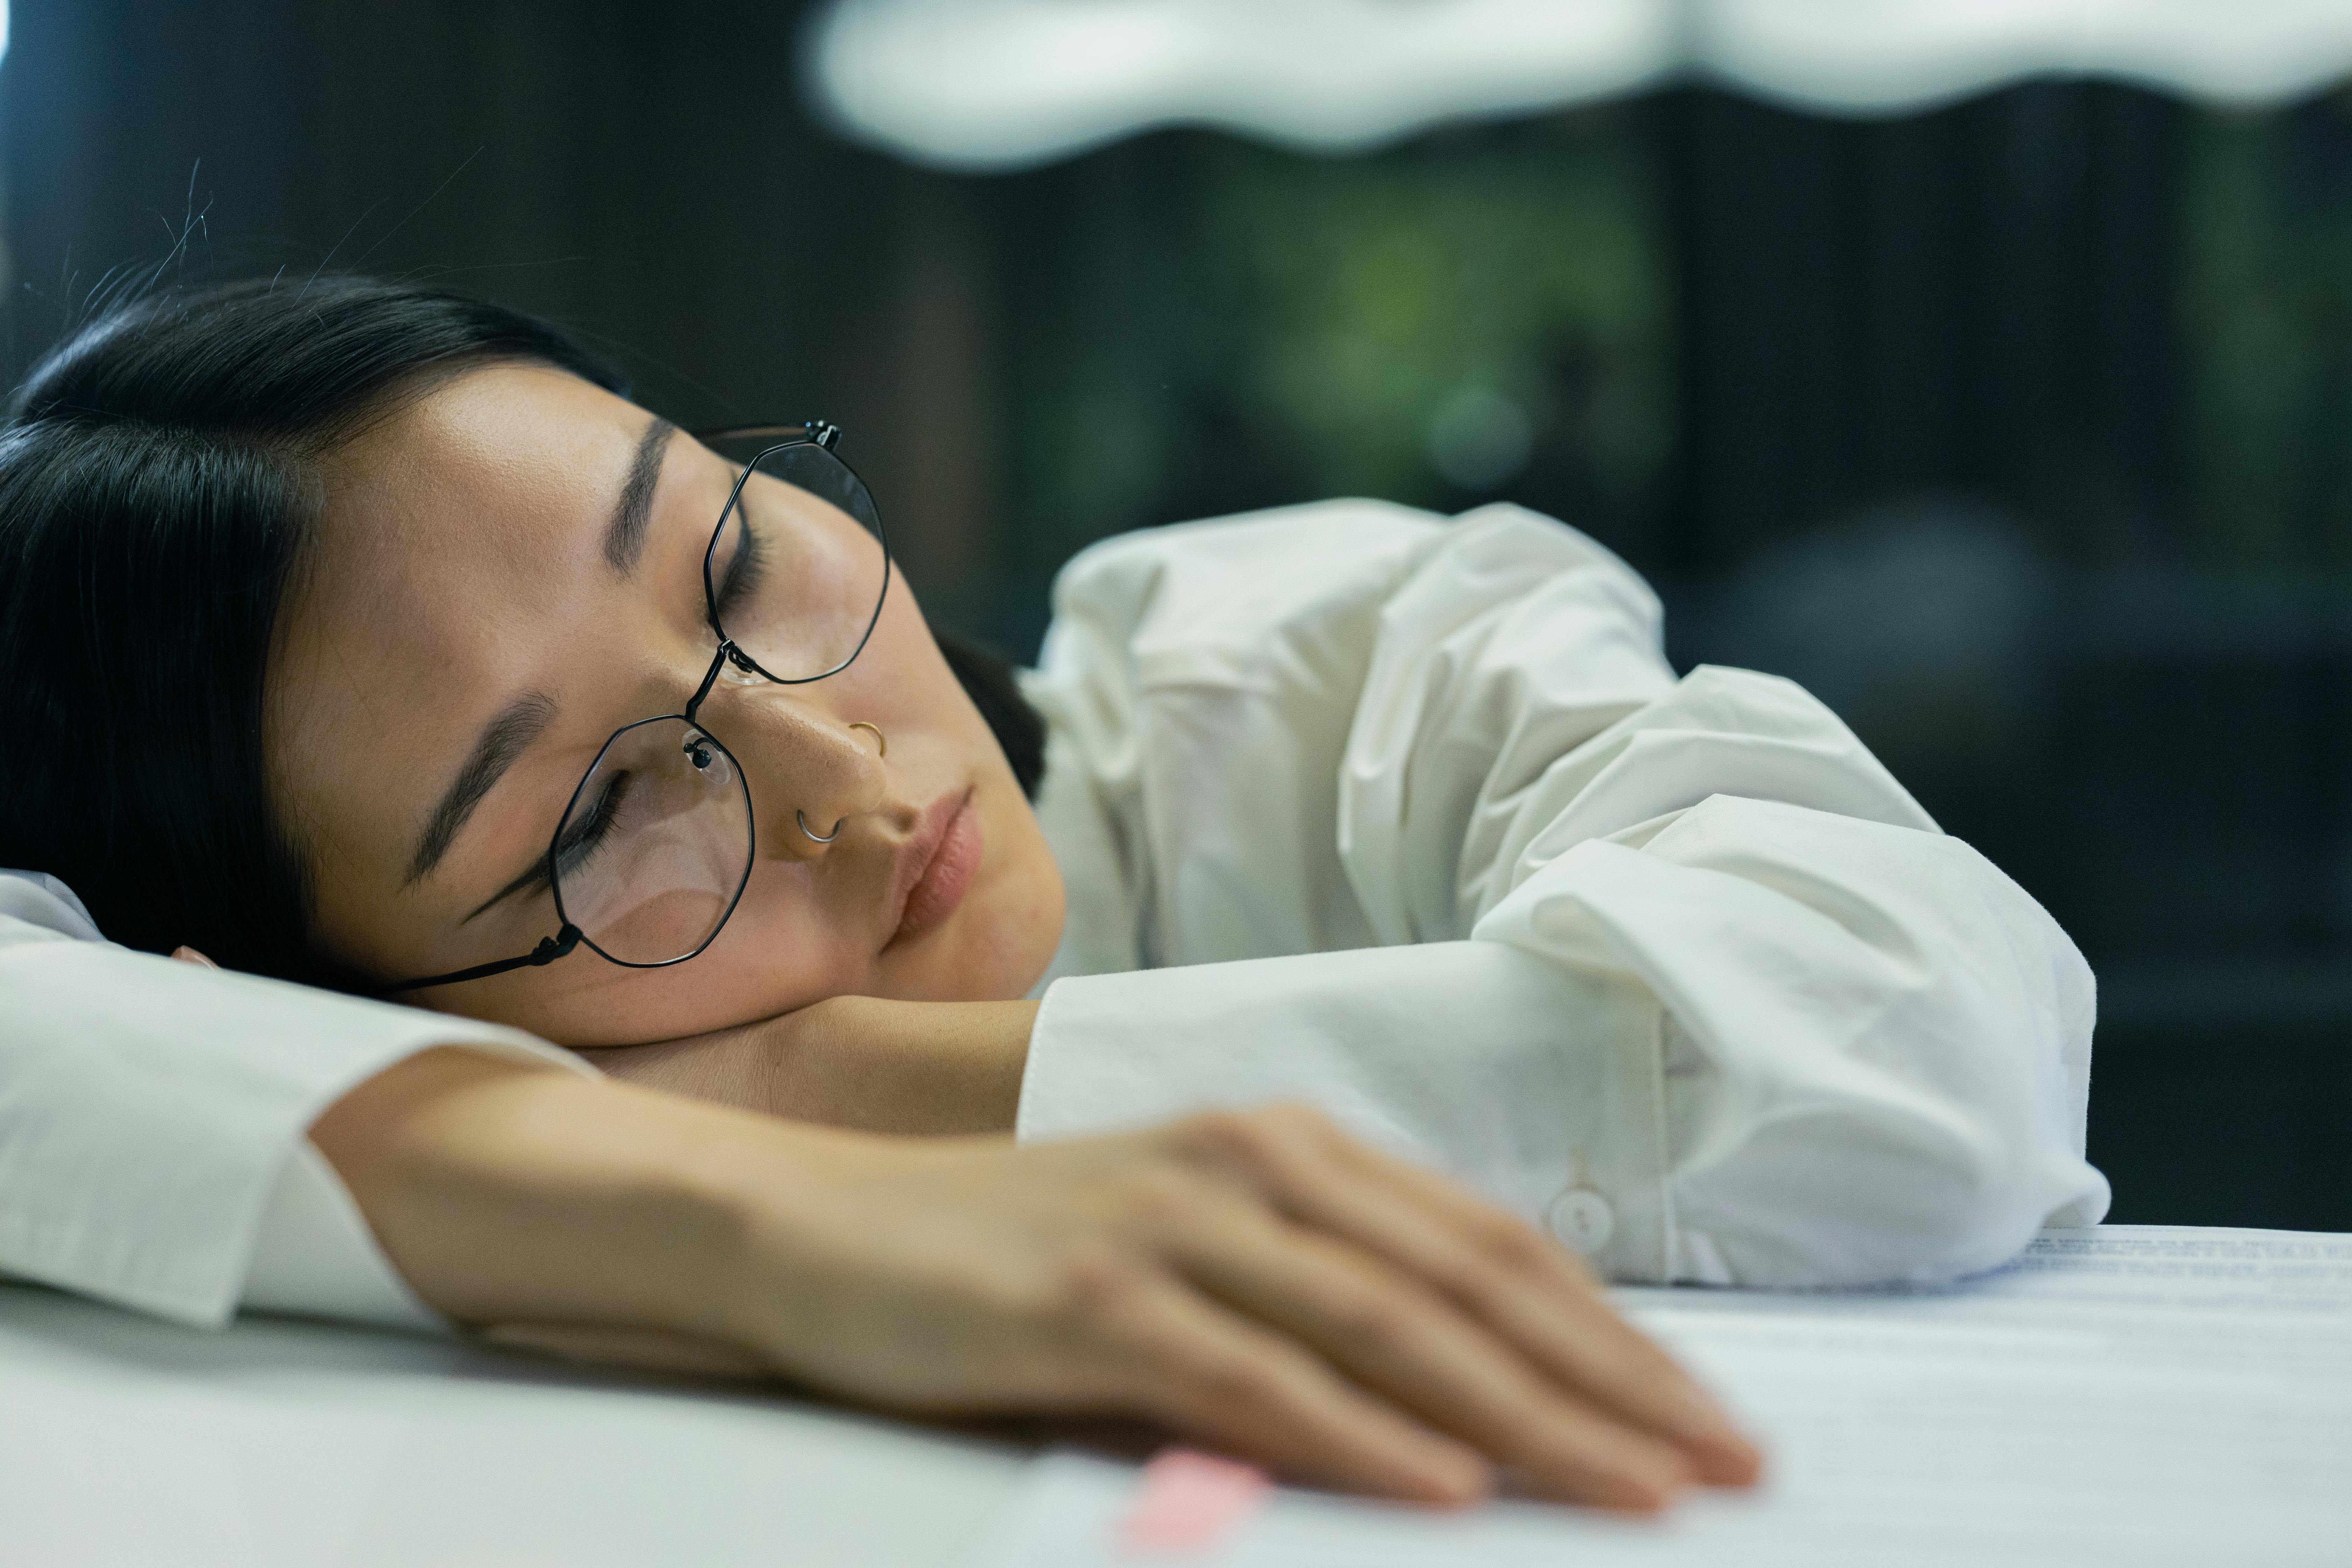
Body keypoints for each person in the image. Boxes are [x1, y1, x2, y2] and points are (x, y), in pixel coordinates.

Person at [0, 276, 2104, 1506]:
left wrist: (791, 1102)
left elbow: (1916, 1041)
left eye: (737, 559)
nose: (839, 776)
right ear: (315, 1000)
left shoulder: (1315, 661)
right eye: (593, 822)